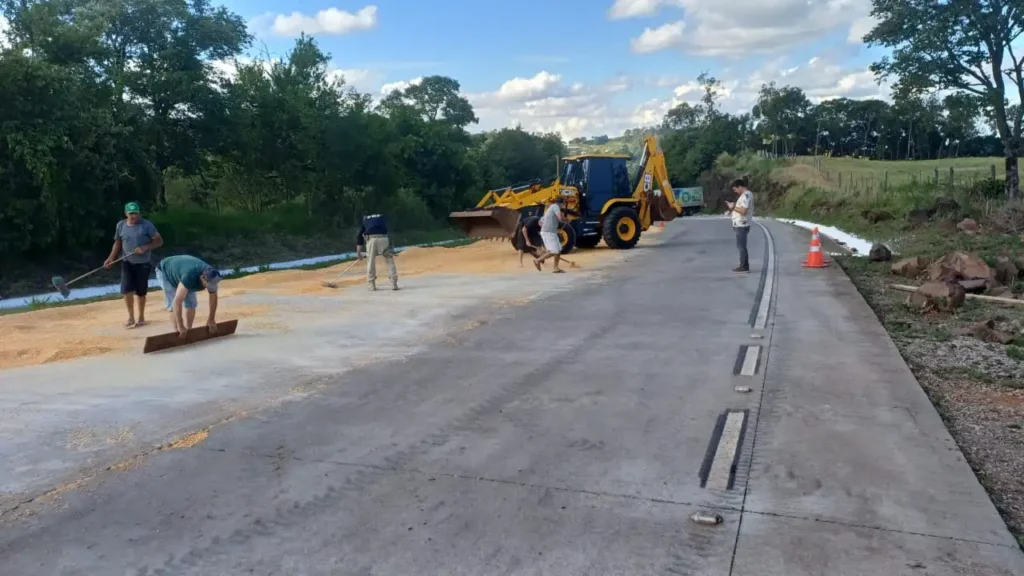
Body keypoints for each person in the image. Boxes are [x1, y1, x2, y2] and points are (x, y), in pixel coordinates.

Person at [104, 201, 163, 328]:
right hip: (127, 262)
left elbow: (159, 241)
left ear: (139, 213)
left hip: (143, 263)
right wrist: (110, 258)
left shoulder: (147, 225)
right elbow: (118, 243)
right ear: (126, 213)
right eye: (131, 213)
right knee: (126, 290)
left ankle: (141, 316)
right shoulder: (120, 225)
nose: (133, 216)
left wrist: (145, 247)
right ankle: (131, 317)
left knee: (141, 292)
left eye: (135, 213)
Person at [155, 255, 221, 338]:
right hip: (165, 271)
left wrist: (211, 319)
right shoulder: (190, 276)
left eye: (213, 283)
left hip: (182, 271)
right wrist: (181, 326)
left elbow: (213, 298)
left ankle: (188, 330)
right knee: (173, 303)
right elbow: (177, 302)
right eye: (209, 284)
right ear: (202, 278)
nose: (212, 286)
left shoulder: (211, 274)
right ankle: (178, 332)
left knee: (191, 303)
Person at [356, 212, 399, 291]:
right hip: (384, 238)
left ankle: (371, 284)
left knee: (371, 261)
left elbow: (360, 237)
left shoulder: (365, 220)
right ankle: (394, 283)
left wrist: (359, 253)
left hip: (372, 240)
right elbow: (387, 232)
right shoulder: (381, 218)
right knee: (389, 259)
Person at [726, 178, 754, 273]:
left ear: (740, 187)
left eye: (735, 189)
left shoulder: (746, 195)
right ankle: (743, 264)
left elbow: (743, 211)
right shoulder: (744, 195)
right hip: (740, 224)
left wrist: (733, 207)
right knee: (741, 246)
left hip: (742, 224)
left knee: (741, 246)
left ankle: (744, 266)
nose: (735, 191)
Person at [534, 197, 568, 273]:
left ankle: (556, 268)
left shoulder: (552, 207)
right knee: (554, 251)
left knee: (558, 250)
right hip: (548, 232)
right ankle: (538, 260)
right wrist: (566, 219)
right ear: (562, 203)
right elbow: (560, 218)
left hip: (551, 232)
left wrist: (564, 218)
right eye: (563, 203)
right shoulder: (556, 207)